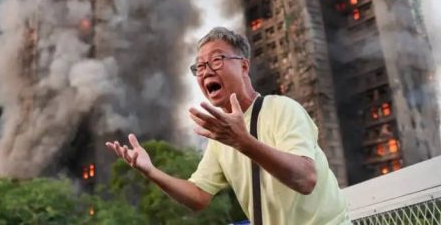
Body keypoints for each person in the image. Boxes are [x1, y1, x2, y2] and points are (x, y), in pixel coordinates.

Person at [106, 27, 350, 224]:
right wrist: (151, 171)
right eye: (200, 66)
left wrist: (243, 142)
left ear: (244, 66)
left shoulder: (281, 109)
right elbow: (198, 196)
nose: (206, 71)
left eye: (217, 60)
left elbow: (305, 179)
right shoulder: (222, 138)